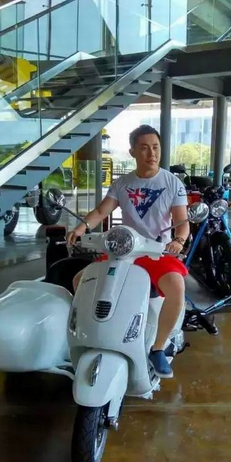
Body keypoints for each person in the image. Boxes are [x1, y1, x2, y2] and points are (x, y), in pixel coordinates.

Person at [67, 125, 189, 378]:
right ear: (132, 151)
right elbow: (101, 211)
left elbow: (182, 221)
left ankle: (158, 347)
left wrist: (178, 240)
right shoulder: (122, 183)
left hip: (156, 251)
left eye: (155, 147)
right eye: (144, 148)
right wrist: (80, 228)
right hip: (124, 250)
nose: (151, 153)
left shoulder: (172, 182)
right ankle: (90, 332)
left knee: (177, 287)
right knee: (81, 280)